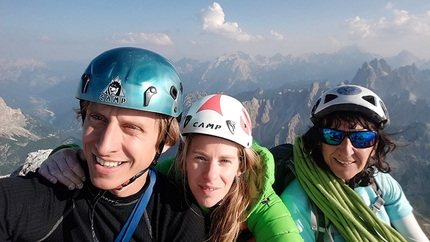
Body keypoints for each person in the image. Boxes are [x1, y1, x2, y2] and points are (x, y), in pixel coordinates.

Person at [0, 47, 206, 241]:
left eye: (132, 127)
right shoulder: (50, 191)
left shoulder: (178, 219)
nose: (104, 146)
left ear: (166, 141)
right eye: (97, 118)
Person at [37, 94, 304, 241]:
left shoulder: (258, 200)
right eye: (200, 158)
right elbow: (118, 168)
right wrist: (68, 156)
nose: (211, 176)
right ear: (183, 159)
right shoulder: (166, 175)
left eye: (225, 161)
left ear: (241, 166)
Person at [279, 85, 429, 241]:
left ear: (375, 145)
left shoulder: (380, 184)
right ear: (319, 141)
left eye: (361, 138)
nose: (346, 150)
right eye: (333, 135)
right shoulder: (297, 203)